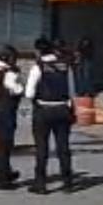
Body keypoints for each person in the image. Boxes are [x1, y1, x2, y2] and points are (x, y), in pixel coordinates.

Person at [25, 37, 76, 194]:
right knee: (63, 147)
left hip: (43, 110)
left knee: (42, 148)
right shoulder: (66, 66)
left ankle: (40, 184)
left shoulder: (38, 67)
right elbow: (72, 91)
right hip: (62, 109)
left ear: (39, 51)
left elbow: (29, 93)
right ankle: (67, 183)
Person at [0, 45, 25, 190]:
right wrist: (20, 85)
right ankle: (0, 180)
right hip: (5, 111)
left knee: (3, 144)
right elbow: (15, 89)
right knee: (4, 146)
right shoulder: (9, 73)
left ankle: (6, 172)